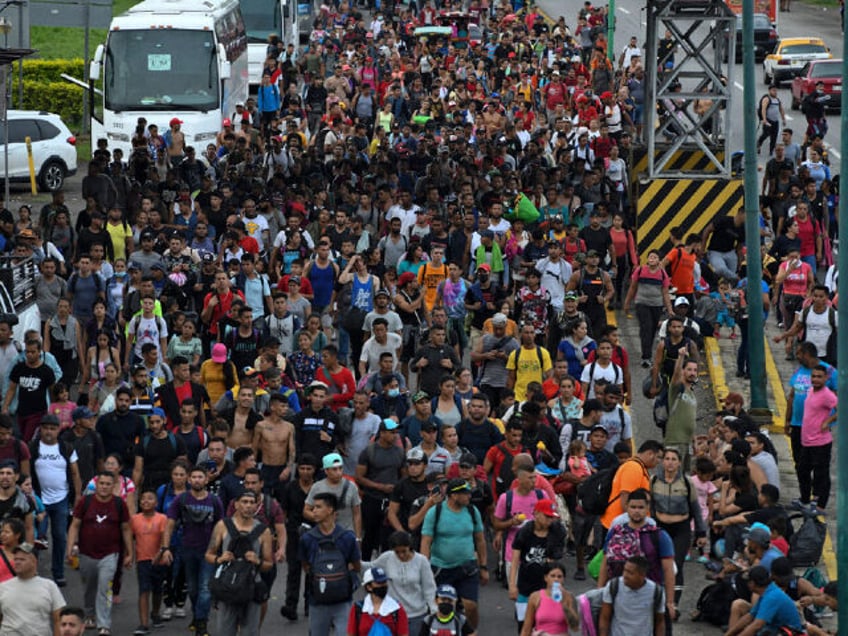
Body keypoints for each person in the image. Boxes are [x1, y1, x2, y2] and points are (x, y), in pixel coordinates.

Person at [66, 471, 133, 636]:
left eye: (108, 484)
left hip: (110, 554)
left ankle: (104, 624)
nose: (104, 487)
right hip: (86, 553)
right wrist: (70, 548)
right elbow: (75, 525)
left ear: (113, 486)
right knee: (89, 587)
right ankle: (89, 614)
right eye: (101, 483)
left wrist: (130, 552)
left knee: (105, 587)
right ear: (97, 485)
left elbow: (126, 528)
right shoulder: (85, 502)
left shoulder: (119, 504)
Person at [160, 465, 224, 636]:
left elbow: (221, 526)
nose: (197, 480)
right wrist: (165, 547)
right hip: (187, 550)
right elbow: (170, 524)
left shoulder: (214, 501)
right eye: (194, 477)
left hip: (208, 552)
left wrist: (220, 549)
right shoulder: (181, 500)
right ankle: (197, 616)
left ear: (206, 479)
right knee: (194, 590)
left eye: (200, 477)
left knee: (205, 589)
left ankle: (201, 624)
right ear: (189, 480)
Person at [420, 478, 489, 629]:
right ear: (453, 495)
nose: (469, 496)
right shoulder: (435, 512)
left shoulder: (472, 511)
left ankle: (471, 632)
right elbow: (426, 541)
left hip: (467, 567)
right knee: (440, 608)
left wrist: (483, 567)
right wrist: (425, 568)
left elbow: (480, 540)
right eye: (465, 493)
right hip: (441, 568)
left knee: (470, 606)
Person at [204, 489, 274, 636]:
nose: (248, 506)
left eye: (252, 503)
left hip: (251, 586)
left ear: (256, 506)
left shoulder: (263, 531)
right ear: (236, 504)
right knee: (224, 631)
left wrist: (258, 561)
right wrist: (219, 559)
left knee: (250, 632)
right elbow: (208, 555)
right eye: (244, 502)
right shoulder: (223, 525)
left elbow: (269, 564)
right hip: (227, 586)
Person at [29, 414, 81, 588]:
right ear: (41, 429)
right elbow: (26, 472)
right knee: (36, 538)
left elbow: (75, 473)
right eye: (46, 428)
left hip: (61, 499)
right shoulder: (33, 447)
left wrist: (78, 496)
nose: (49, 432)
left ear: (58, 430)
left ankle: (58, 573)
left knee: (60, 536)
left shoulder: (66, 447)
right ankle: (32, 572)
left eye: (53, 428)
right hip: (39, 500)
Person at [299, 492, 362, 636]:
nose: (313, 511)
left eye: (318, 507)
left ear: (330, 510)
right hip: (341, 599)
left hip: (318, 599)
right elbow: (356, 566)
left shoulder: (307, 538)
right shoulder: (347, 537)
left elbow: (306, 567)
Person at [508, 500, 567, 631]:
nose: (549, 521)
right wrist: (512, 585)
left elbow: (554, 564)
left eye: (552, 517)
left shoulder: (557, 532)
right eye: (547, 516)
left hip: (546, 588)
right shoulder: (524, 532)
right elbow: (515, 560)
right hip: (525, 585)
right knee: (523, 625)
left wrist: (556, 588)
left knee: (545, 626)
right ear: (536, 514)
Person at [363, 531, 437, 635]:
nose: (401, 555)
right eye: (397, 552)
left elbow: (429, 589)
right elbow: (371, 567)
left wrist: (435, 611)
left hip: (417, 615)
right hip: (394, 613)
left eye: (404, 551)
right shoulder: (387, 558)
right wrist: (354, 562)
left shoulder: (422, 561)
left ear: (410, 547)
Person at [356, 419, 406, 559]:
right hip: (372, 498)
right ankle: (365, 565)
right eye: (391, 432)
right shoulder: (369, 451)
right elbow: (359, 477)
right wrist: (380, 487)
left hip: (392, 500)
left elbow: (404, 476)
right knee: (370, 535)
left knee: (389, 536)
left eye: (396, 432)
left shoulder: (400, 452)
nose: (395, 435)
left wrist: (397, 489)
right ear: (382, 433)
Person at [0, 542, 66, 636]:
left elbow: (58, 620)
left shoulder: (49, 586)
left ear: (34, 562)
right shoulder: (2, 587)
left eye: (22, 559)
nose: (17, 562)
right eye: (16, 559)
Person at [797, 364, 837, 511]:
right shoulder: (810, 391)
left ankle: (820, 505)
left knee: (821, 475)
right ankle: (805, 499)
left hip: (821, 442)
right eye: (813, 376)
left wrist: (828, 421)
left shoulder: (827, 395)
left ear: (826, 378)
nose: (815, 379)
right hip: (807, 440)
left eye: (819, 377)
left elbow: (841, 408)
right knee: (803, 471)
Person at [130, 489, 168, 635]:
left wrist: (162, 552)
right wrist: (129, 554)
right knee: (144, 589)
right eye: (143, 499)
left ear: (156, 503)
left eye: (150, 498)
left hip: (159, 559)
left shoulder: (162, 518)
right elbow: (129, 536)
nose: (146, 501)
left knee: (158, 589)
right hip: (142, 559)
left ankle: (156, 613)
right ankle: (144, 623)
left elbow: (165, 536)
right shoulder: (135, 519)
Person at [599, 555, 666, 636]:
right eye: (624, 570)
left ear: (642, 575)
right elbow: (604, 617)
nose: (625, 575)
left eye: (630, 573)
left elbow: (660, 621)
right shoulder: (613, 586)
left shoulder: (656, 592)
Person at [519, 561, 579, 636]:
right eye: (552, 576)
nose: (556, 579)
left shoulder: (569, 597)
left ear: (563, 579)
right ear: (546, 578)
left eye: (559, 576)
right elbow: (526, 628)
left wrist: (564, 603)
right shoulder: (535, 597)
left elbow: (575, 627)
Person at [346, 566, 410, 636]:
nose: (384, 585)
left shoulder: (397, 609)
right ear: (369, 587)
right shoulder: (357, 609)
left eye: (384, 582)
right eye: (379, 583)